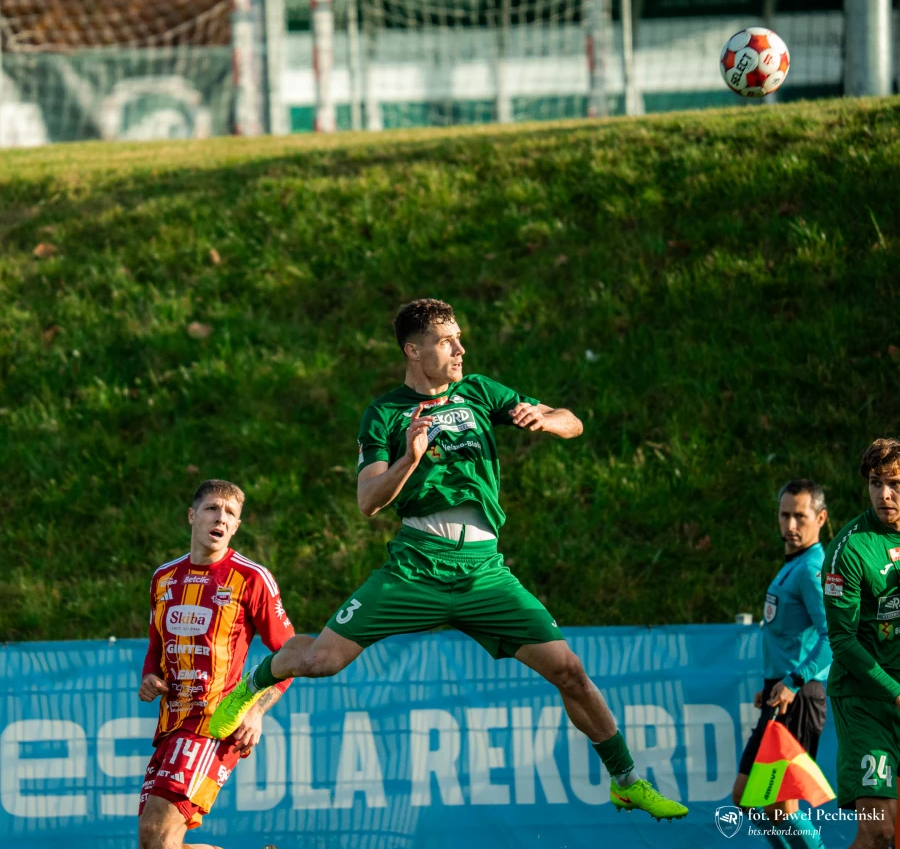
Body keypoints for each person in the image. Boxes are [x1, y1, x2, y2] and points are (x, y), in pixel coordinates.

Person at [210, 298, 688, 821]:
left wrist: (548, 420)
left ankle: (626, 781)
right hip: (417, 567)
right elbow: (368, 501)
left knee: (570, 671)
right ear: (414, 351)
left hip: (484, 572)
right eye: (446, 341)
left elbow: (571, 420)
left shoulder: (479, 391)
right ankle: (251, 685)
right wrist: (408, 459)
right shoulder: (386, 413)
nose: (460, 349)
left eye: (459, 338)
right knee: (321, 661)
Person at [138, 479, 306, 849]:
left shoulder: (251, 578)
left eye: (230, 513)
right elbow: (156, 643)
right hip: (171, 725)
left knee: (156, 835)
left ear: (236, 526)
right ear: (192, 516)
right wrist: (150, 675)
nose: (221, 518)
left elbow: (291, 653)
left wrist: (256, 709)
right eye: (213, 508)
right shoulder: (164, 578)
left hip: (214, 724)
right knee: (159, 843)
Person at [732, 479, 831, 849]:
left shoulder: (812, 569)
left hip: (798, 696)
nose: (790, 525)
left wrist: (792, 679)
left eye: (799, 517)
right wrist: (773, 681)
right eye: (784, 515)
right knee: (746, 796)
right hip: (780, 692)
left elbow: (834, 638)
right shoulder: (794, 564)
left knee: (782, 806)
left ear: (820, 518)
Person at [822, 439, 900, 849]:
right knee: (878, 832)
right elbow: (842, 641)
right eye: (875, 483)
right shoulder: (850, 549)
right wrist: (895, 692)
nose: (884, 494)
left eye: (895, 484)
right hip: (865, 700)